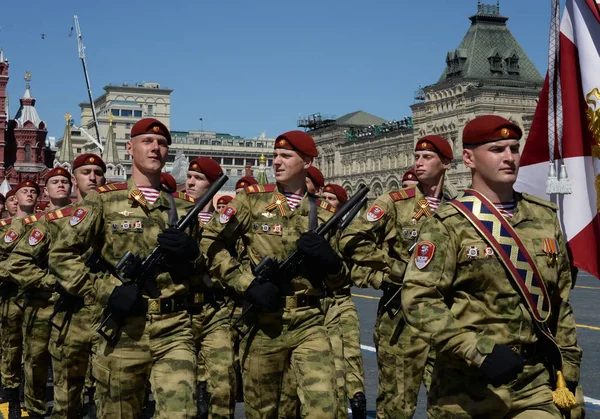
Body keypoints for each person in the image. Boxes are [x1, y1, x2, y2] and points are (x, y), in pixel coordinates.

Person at [402, 115, 583, 418]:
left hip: (534, 383)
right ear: (469, 158)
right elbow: (419, 300)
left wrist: (569, 366)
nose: (510, 157)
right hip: (467, 389)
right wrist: (476, 349)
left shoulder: (544, 218)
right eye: (498, 149)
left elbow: (560, 300)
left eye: (514, 148)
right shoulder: (448, 224)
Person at [49, 118, 202, 418]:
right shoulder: (104, 201)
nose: (155, 148)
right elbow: (62, 254)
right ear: (129, 148)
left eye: (161, 144)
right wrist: (105, 291)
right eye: (147, 141)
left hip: (174, 328)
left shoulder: (184, 207)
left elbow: (203, 271)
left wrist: (191, 254)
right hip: (123, 330)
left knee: (181, 413)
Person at [201, 130, 345, 418]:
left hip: (309, 322)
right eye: (275, 155)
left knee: (323, 408)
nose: (277, 161)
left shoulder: (326, 213)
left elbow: (341, 280)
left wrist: (331, 262)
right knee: (263, 411)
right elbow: (210, 243)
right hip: (264, 323)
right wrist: (247, 283)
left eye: (286, 156)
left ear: (306, 161)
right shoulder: (250, 201)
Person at [340, 135, 457, 419]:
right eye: (416, 156)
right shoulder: (395, 202)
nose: (419, 162)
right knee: (396, 406)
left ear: (445, 163)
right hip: (402, 322)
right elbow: (352, 239)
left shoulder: (458, 207)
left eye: (427, 157)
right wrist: (396, 270)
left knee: (450, 406)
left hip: (447, 319)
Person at [39, 155, 106, 418]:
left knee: (110, 396)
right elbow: (22, 261)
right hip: (71, 312)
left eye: (98, 172)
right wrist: (54, 281)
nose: (93, 177)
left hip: (109, 312)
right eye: (86, 172)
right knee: (67, 395)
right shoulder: (58, 219)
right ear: (74, 178)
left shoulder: (120, 211)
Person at [8, 168, 72, 418]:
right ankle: (32, 409)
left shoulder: (86, 216)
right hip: (43, 304)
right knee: (35, 362)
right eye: (54, 182)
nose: (61, 186)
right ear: (47, 189)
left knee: (68, 365)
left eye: (65, 182)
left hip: (74, 305)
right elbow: (17, 263)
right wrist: (49, 282)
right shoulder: (40, 223)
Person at [184, 157, 237, 419]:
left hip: (216, 308)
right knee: (183, 386)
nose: (190, 182)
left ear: (214, 185)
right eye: (189, 177)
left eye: (198, 178)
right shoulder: (175, 215)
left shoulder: (226, 223)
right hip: (181, 311)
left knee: (222, 381)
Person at [323, 183, 368, 418]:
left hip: (341, 300)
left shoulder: (346, 231)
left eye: (332, 199)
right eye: (324, 197)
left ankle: (357, 394)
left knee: (350, 351)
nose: (327, 202)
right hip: (318, 305)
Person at [0, 180, 41, 419]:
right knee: (11, 348)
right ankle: (12, 396)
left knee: (34, 351)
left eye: (33, 191)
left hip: (36, 297)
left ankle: (30, 398)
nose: (29, 195)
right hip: (11, 296)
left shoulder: (46, 223)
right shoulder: (6, 227)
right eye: (24, 191)